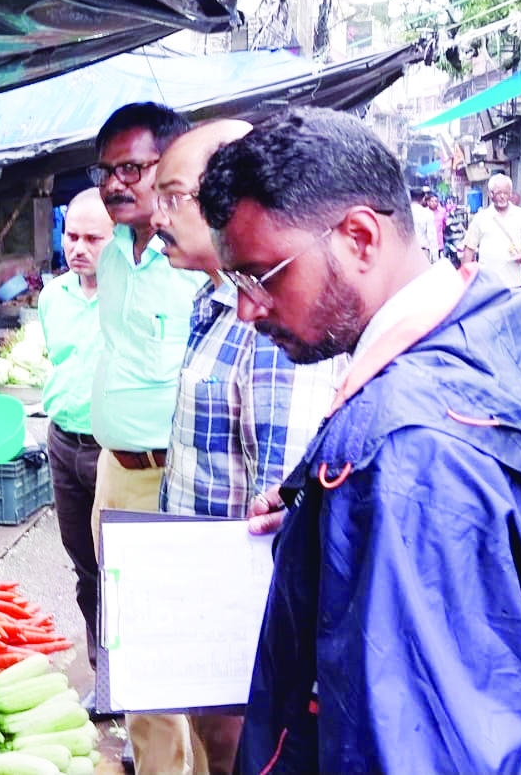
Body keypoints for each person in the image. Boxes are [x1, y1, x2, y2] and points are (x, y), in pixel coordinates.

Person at [197, 107, 521, 774]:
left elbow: (418, 744)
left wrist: (372, 494)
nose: (247, 308)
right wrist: (323, 525)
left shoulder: (403, 450)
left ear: (359, 237)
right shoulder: (505, 329)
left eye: (259, 275)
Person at [148, 119, 344, 774]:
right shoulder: (214, 302)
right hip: (202, 609)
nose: (159, 215)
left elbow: (279, 504)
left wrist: (253, 657)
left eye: (173, 196)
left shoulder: (271, 322)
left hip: (238, 632)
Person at [86, 101, 207, 774]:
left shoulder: (193, 262)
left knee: (181, 650)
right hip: (117, 472)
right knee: (131, 645)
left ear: (169, 166)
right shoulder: (109, 261)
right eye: (106, 170)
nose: (114, 184)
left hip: (177, 477)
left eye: (130, 166)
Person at [38, 188, 113, 672]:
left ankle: (137, 697)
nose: (78, 247)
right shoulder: (53, 297)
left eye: (93, 238)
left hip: (114, 451)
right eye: (71, 235)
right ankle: (103, 673)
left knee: (121, 570)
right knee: (86, 567)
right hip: (64, 443)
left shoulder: (132, 297)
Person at [462, 173, 521, 287]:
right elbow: (469, 250)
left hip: (515, 283)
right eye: (498, 193)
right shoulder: (480, 218)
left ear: (510, 193)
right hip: (487, 284)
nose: (502, 196)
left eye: (506, 193)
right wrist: (465, 281)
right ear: (491, 194)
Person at [410, 187, 434, 261]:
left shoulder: (403, 212)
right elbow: (431, 235)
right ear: (423, 198)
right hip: (422, 251)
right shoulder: (428, 213)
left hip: (407, 252)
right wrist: (435, 256)